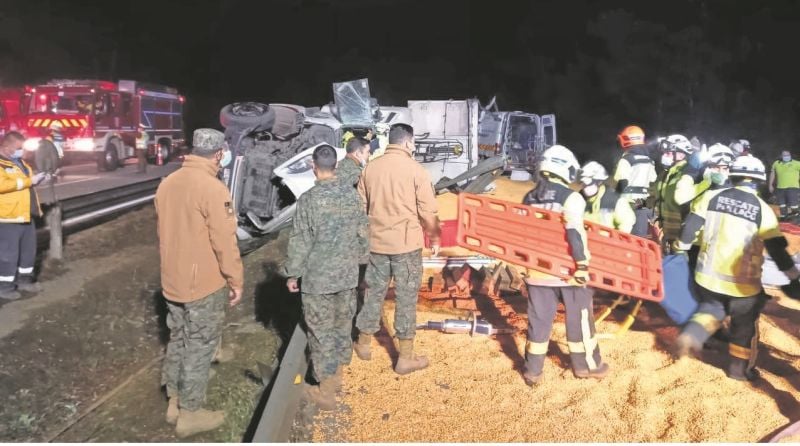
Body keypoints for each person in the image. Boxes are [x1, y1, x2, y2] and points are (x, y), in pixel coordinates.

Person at [674, 155, 800, 381]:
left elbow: (690, 227)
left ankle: (693, 334)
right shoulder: (763, 210)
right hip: (743, 285)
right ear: (758, 180)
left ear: (732, 175)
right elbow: (776, 249)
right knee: (744, 327)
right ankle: (739, 370)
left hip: (707, 276)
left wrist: (681, 249)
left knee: (712, 308)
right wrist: (793, 276)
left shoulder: (712, 197)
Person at [154, 128, 244, 438]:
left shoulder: (168, 184)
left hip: (172, 278)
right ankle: (191, 413)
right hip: (202, 282)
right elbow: (223, 240)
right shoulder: (212, 188)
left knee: (177, 337)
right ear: (219, 154)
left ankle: (174, 401)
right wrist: (235, 279)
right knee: (199, 345)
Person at [284, 144, 369, 410]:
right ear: (335, 165)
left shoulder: (309, 200)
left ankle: (326, 391)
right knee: (342, 326)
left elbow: (300, 240)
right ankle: (338, 375)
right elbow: (363, 234)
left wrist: (292, 274)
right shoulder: (352, 196)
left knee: (320, 333)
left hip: (318, 280)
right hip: (346, 277)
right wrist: (361, 264)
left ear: (313, 166)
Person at [354, 123, 441, 375]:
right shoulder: (416, 171)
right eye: (413, 143)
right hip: (406, 246)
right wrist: (434, 237)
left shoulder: (370, 168)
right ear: (406, 143)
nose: (413, 147)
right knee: (405, 298)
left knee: (373, 293)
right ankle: (405, 357)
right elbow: (427, 210)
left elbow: (360, 207)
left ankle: (363, 343)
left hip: (377, 244)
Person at [522, 145, 609, 385]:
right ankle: (587, 366)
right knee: (580, 319)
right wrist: (581, 265)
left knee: (538, 322)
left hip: (537, 270)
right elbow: (574, 232)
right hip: (567, 271)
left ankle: (533, 371)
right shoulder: (570, 198)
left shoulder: (529, 197)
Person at [0, 132, 46, 300]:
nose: (22, 151)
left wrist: (38, 180)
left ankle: (25, 281)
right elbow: (2, 185)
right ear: (6, 147)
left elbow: (27, 184)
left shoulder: (21, 163)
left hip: (26, 214)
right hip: (7, 217)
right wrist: (29, 181)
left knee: (28, 252)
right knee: (8, 254)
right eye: (19, 148)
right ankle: (5, 287)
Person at [653, 134, 698, 249]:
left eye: (668, 153)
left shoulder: (688, 175)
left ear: (681, 154)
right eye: (663, 153)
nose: (664, 156)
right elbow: (655, 196)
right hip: (663, 234)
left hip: (679, 238)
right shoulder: (665, 174)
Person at [612, 125, 657, 237]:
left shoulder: (626, 159)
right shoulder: (649, 160)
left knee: (628, 235)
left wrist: (614, 198)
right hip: (643, 203)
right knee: (641, 236)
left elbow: (622, 182)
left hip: (628, 202)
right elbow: (653, 180)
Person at [579, 161, 635, 232]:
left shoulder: (614, 200)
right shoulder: (578, 198)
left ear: (599, 182)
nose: (585, 187)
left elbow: (627, 223)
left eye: (590, 183)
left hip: (605, 241)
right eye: (583, 183)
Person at [769, 150, 800, 219]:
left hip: (792, 187)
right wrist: (770, 184)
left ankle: (797, 218)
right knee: (782, 205)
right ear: (781, 156)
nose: (786, 157)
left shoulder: (797, 163)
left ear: (790, 155)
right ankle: (784, 219)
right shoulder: (776, 163)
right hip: (780, 188)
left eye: (788, 155)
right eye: (784, 155)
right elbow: (772, 174)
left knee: (793, 206)